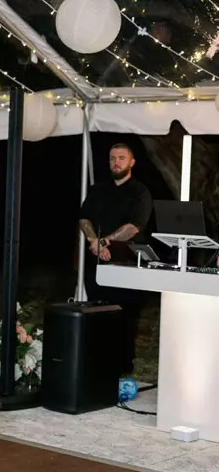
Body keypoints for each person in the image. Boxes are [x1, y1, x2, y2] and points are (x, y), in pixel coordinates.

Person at [79, 142, 153, 372]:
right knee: (96, 315)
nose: (116, 162)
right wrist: (93, 240)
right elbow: (84, 219)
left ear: (132, 162)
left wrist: (106, 241)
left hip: (126, 266)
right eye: (112, 158)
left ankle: (121, 370)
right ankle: (96, 366)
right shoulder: (98, 189)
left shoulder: (140, 192)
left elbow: (134, 226)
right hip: (97, 264)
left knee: (124, 319)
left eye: (121, 157)